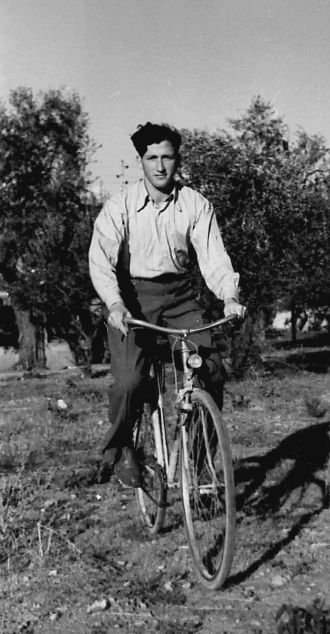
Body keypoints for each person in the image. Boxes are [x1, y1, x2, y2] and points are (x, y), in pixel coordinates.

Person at [89, 122, 246, 487]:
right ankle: (122, 450)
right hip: (130, 301)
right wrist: (114, 305)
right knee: (129, 381)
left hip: (178, 298)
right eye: (152, 158)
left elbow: (214, 258)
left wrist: (231, 297)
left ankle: (199, 456)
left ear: (178, 160)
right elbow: (101, 262)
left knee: (210, 366)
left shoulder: (194, 204)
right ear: (141, 161)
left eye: (168, 158)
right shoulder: (120, 207)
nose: (160, 166)